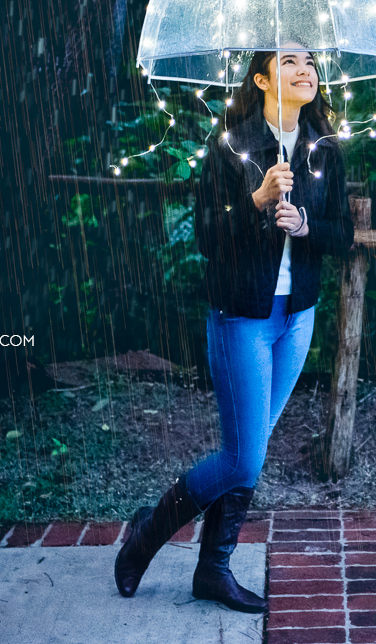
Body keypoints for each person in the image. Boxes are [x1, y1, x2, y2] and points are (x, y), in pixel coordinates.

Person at [114, 45, 354, 612]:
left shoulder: (325, 150)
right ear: (262, 78)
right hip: (241, 318)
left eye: (311, 63)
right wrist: (257, 200)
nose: (306, 71)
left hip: (297, 319)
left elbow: (342, 235)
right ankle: (147, 534)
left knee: (250, 448)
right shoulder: (233, 145)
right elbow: (204, 235)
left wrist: (304, 226)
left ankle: (212, 572)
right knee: (244, 459)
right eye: (291, 62)